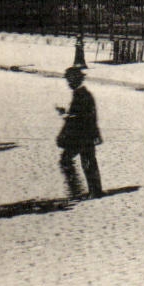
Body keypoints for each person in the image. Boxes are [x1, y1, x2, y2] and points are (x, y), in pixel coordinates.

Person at [55, 65, 104, 200]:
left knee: (84, 161)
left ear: (76, 80)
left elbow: (84, 116)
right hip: (83, 134)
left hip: (83, 135)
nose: (69, 83)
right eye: (68, 80)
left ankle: (87, 191)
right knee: (83, 161)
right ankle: (91, 190)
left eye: (70, 80)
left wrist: (67, 115)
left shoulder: (82, 95)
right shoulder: (81, 94)